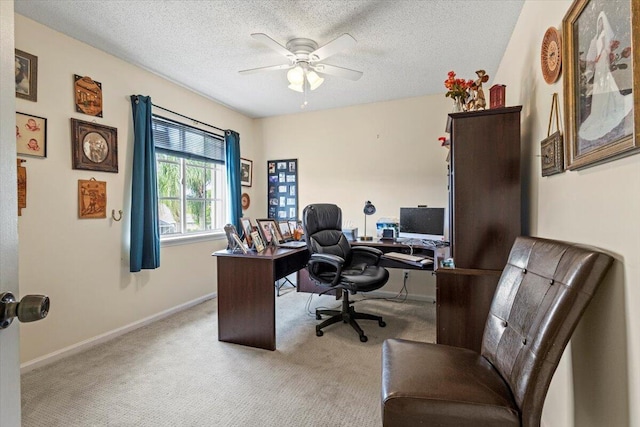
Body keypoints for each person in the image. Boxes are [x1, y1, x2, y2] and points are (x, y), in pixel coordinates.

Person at [579, 11, 633, 142]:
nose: (601, 25)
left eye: (602, 22)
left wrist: (606, 54)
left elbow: (604, 50)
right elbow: (593, 56)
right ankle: (601, 111)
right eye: (599, 23)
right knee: (601, 90)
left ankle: (607, 108)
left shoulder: (603, 35)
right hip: (600, 64)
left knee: (607, 87)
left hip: (603, 62)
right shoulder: (595, 38)